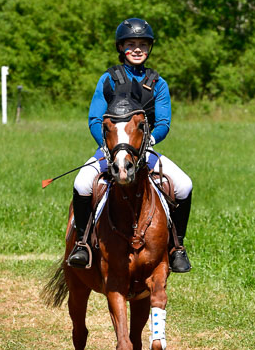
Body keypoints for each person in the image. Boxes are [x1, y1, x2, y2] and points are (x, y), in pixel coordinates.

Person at [67, 17, 192, 272]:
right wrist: (106, 146)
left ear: (149, 49)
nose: (137, 49)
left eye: (143, 44)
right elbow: (94, 119)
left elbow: (164, 122)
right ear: (120, 47)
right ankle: (82, 243)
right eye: (131, 44)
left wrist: (149, 142)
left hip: (143, 150)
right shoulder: (108, 79)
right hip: (110, 150)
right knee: (81, 183)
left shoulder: (158, 83)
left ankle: (177, 248)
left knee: (184, 185)